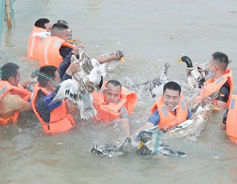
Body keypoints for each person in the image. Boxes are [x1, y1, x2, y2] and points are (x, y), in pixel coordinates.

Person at [32, 61, 80, 133]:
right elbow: (56, 96)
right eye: (58, 79)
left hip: (67, 128)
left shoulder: (51, 91)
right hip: (55, 137)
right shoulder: (42, 102)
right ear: (50, 83)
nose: (60, 80)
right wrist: (69, 71)